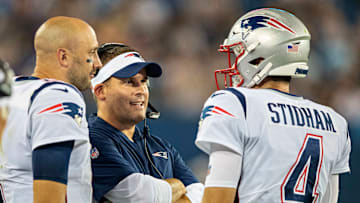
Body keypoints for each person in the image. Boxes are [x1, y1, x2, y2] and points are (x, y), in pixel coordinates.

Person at [195, 8, 351, 203]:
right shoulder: (335, 122)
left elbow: (217, 200)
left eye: (238, 52)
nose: (235, 62)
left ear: (260, 57)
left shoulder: (236, 103)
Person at [0, 16, 102, 203]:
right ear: (63, 57)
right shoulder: (59, 95)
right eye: (92, 52)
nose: (98, 63)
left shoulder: (10, 92)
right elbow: (49, 186)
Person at [89, 43, 204, 203]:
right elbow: (140, 196)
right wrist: (177, 186)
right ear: (101, 91)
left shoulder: (160, 146)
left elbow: (200, 194)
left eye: (144, 81)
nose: (141, 90)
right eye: (129, 82)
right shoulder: (90, 139)